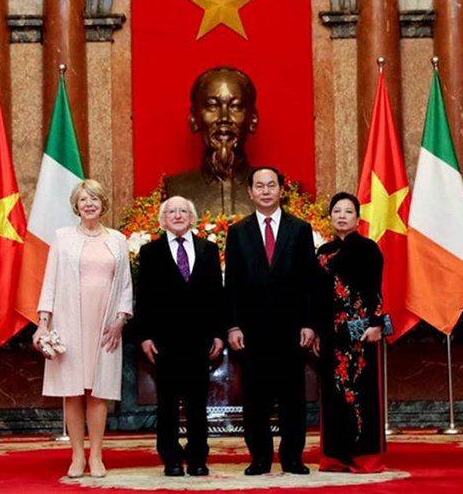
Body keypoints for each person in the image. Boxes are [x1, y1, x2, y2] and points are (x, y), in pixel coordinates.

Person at [32, 179, 133, 478]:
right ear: (76, 206)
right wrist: (43, 322)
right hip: (69, 321)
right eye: (83, 199)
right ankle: (77, 456)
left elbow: (126, 284)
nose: (89, 204)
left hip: (105, 324)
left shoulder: (117, 239)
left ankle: (97, 456)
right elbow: (49, 281)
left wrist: (121, 318)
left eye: (94, 199)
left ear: (103, 204)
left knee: (98, 390)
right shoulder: (62, 238)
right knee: (73, 390)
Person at [225, 167, 316, 475]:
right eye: (259, 186)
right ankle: (260, 457)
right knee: (255, 398)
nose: (265, 191)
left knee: (293, 396)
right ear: (250, 192)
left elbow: (308, 280)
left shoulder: (300, 229)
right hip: (252, 331)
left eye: (271, 185)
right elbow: (232, 283)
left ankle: (292, 457)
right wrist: (233, 325)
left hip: (291, 329)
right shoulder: (237, 232)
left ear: (281, 190)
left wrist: (308, 323)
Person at [135, 196, 226, 477]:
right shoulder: (149, 252)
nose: (177, 215)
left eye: (183, 211)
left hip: (200, 340)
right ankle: (171, 457)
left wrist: (219, 334)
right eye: (171, 211)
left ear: (192, 216)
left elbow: (216, 296)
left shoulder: (209, 250)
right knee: (168, 403)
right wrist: (145, 336)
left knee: (199, 402)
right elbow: (145, 298)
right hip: (165, 341)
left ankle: (198, 456)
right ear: (163, 219)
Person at [313, 192, 386, 473]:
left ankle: (364, 456)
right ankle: (335, 456)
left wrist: (376, 324)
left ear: (358, 218)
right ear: (330, 217)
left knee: (361, 392)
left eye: (348, 211)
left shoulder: (369, 248)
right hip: (331, 334)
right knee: (333, 394)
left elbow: (375, 290)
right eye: (337, 211)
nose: (342, 216)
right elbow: (318, 297)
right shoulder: (322, 253)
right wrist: (318, 333)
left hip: (361, 333)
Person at [164, 66, 258, 216]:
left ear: (253, 119)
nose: (224, 118)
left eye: (235, 106)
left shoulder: (276, 190)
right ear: (194, 119)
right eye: (212, 106)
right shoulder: (174, 189)